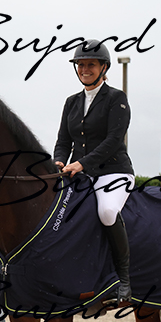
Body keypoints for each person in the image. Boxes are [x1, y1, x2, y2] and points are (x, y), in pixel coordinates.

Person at [53, 39, 135, 303]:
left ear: (103, 67)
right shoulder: (71, 102)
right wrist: (58, 161)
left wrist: (81, 163)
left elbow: (113, 141)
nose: (85, 69)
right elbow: (63, 141)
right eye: (80, 64)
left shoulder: (116, 98)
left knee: (107, 211)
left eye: (91, 64)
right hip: (80, 173)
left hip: (113, 171)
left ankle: (123, 279)